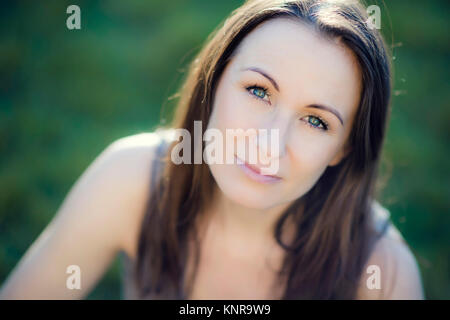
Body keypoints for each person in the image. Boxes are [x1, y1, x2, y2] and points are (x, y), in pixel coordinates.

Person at [0, 0, 424, 300]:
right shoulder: (133, 180)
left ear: (343, 148)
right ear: (215, 82)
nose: (269, 143)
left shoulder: (382, 275)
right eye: (258, 91)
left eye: (317, 121)